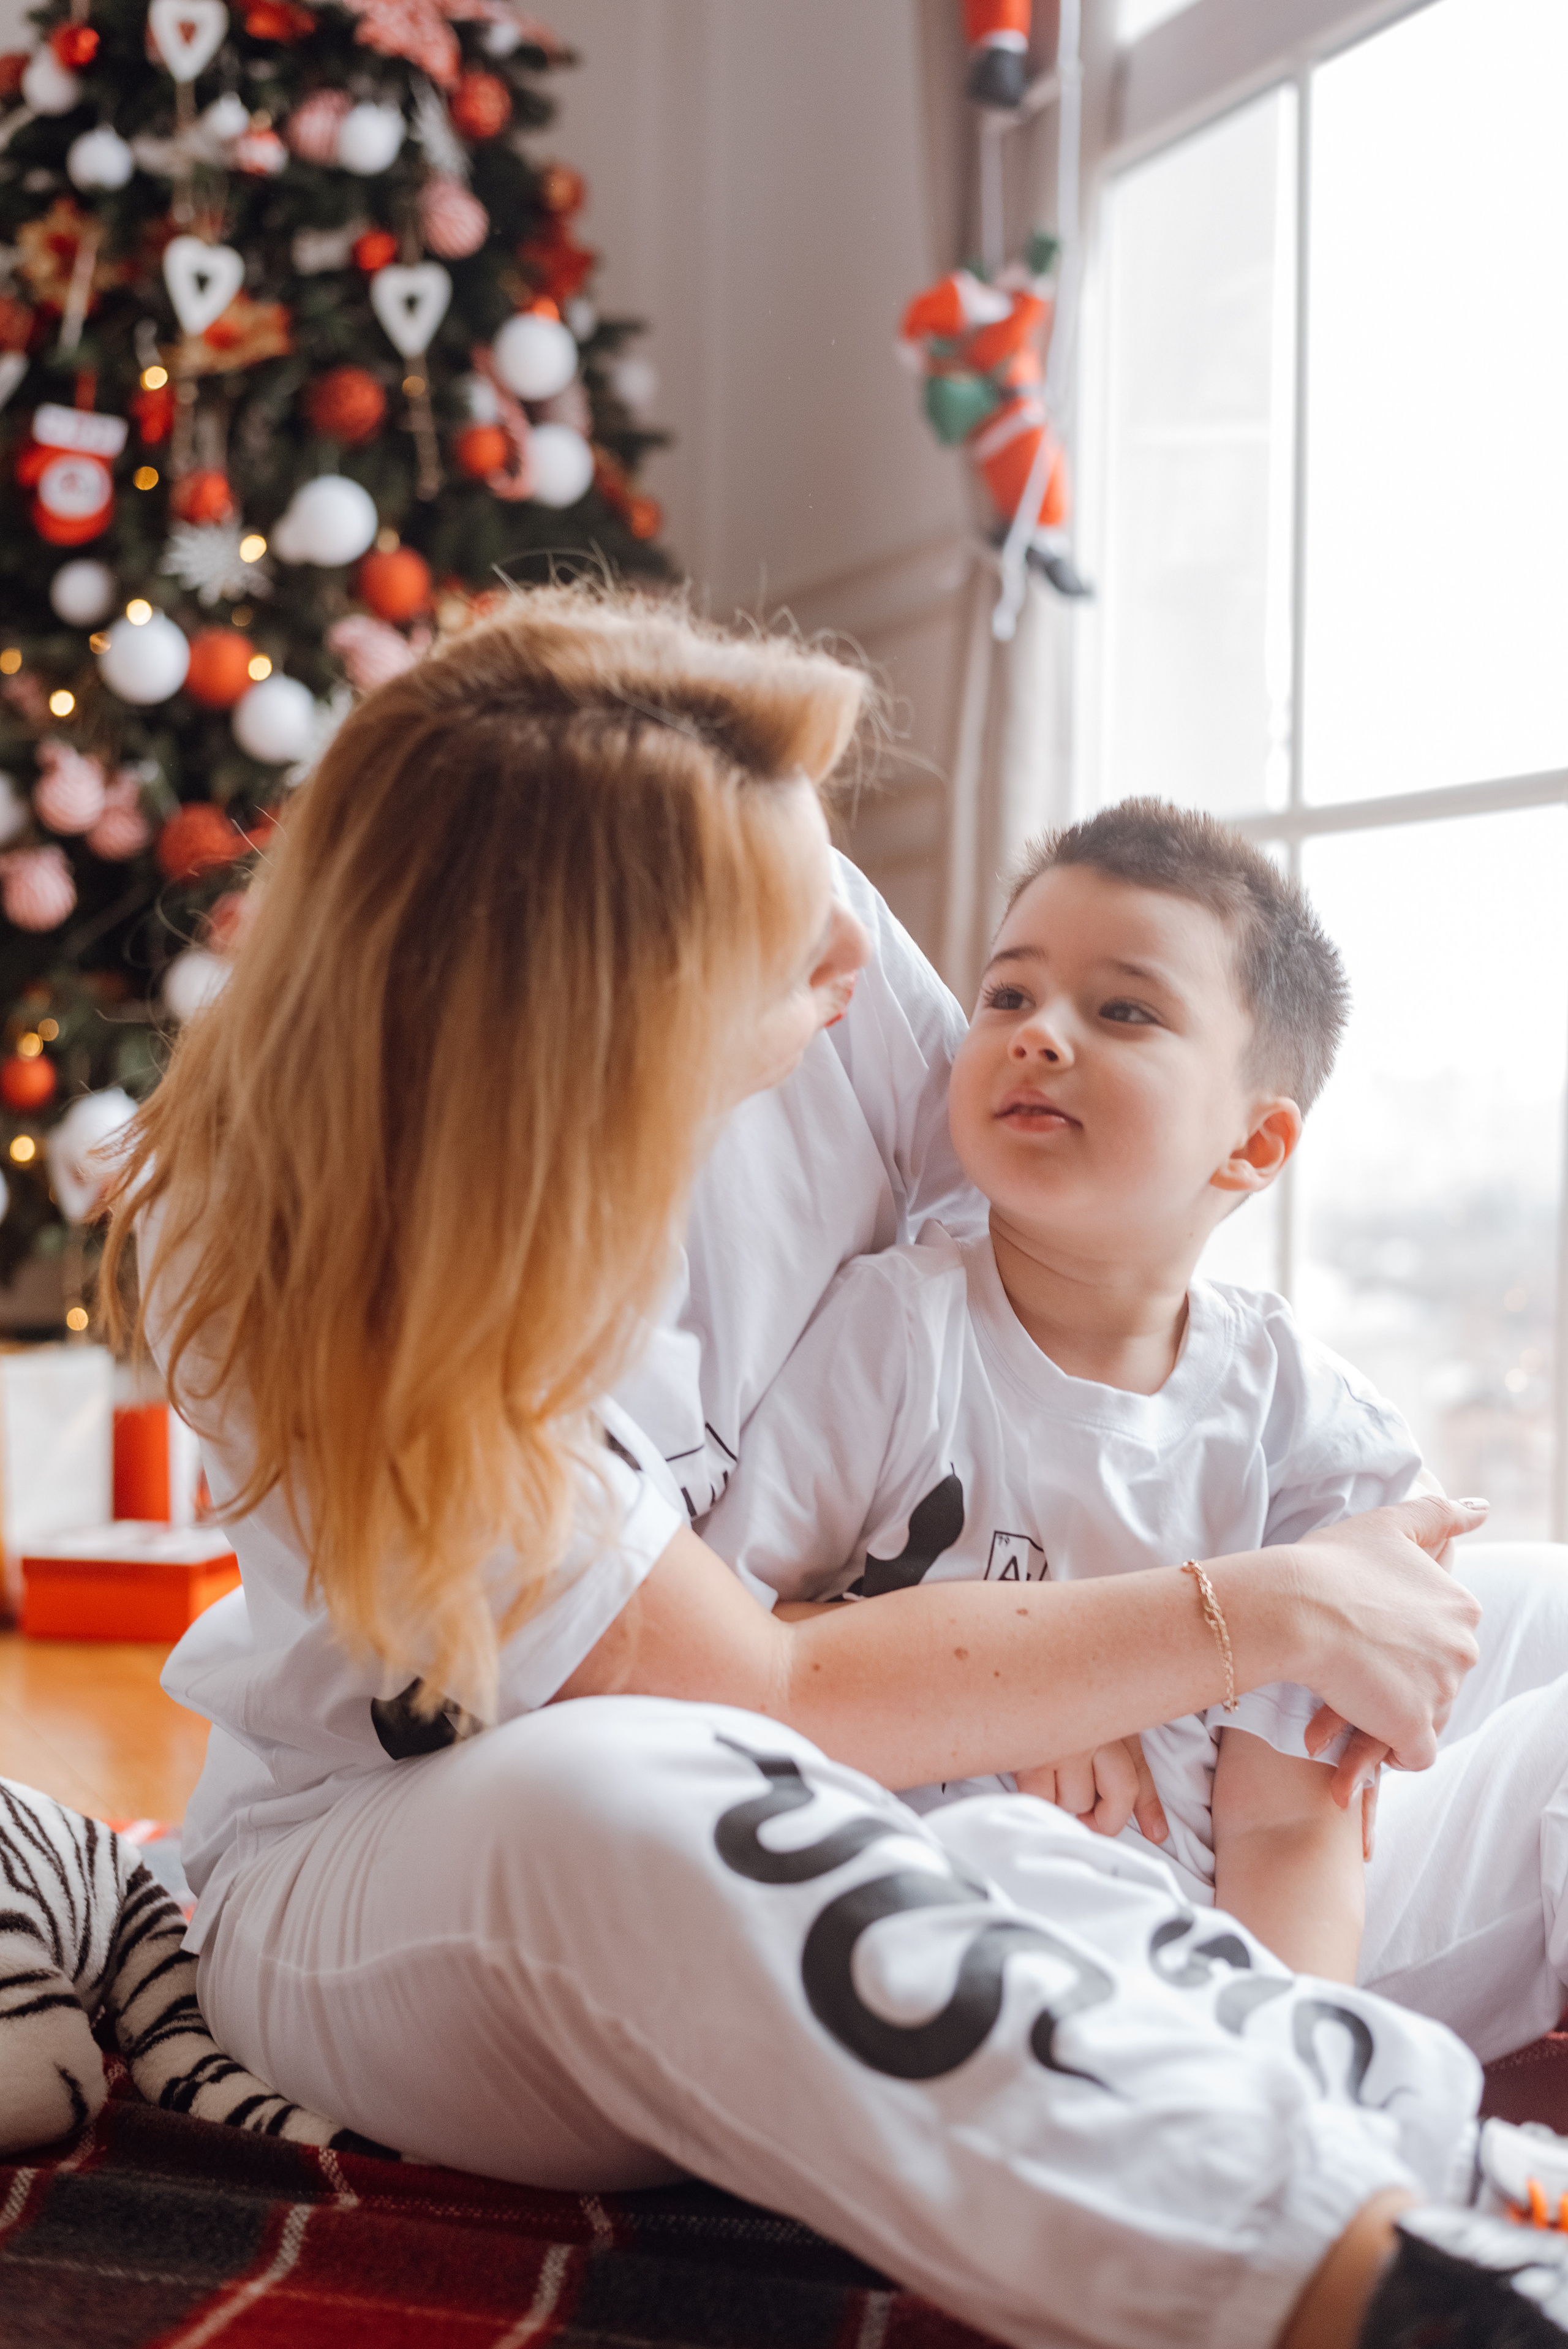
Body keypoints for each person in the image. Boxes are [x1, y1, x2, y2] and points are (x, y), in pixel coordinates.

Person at [99, 589, 1568, 2349]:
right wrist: (1191, 1626)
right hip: (439, 1851)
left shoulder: (803, 917)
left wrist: (1164, 1613)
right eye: (796, 947)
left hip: (934, 1758)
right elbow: (755, 1688)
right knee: (634, 1785)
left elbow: (1026, 1312)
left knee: (1519, 1607)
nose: (870, 967)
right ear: (597, 1001)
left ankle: (1268, 2047)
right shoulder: (296, 1233)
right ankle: (1387, 2276)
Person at [703, 802, 1423, 1981]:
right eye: (1007, 995)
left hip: (1234, 1940)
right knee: (1010, 1849)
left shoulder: (1306, 1422)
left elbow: (1291, 1824)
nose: (1039, 1034)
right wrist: (1032, 1693)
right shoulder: (894, 1332)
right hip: (958, 1911)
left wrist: (1288, 2043)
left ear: (1253, 1144)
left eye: (1123, 1009)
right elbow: (721, 1655)